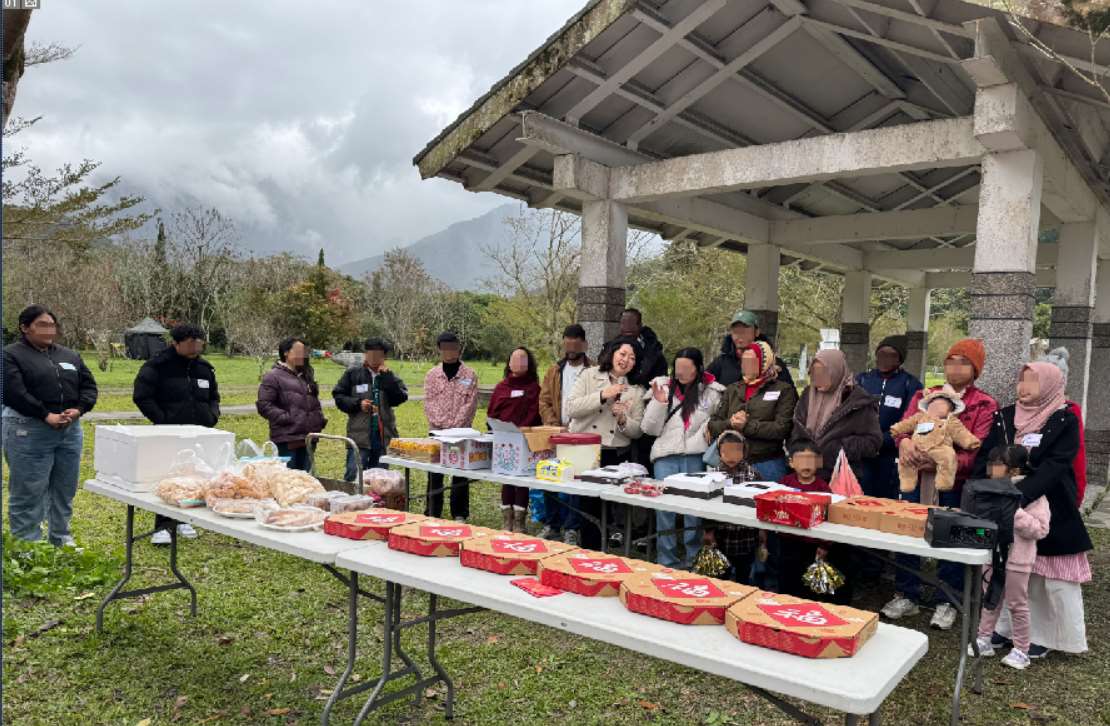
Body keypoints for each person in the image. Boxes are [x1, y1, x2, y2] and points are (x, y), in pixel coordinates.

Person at [974, 361, 1093, 660]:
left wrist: (1018, 494)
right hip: (1005, 505)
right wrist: (990, 488)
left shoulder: (1063, 418)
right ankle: (1004, 629)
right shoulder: (1005, 416)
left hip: (1048, 502)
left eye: (1033, 382)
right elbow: (987, 455)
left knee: (1046, 574)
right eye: (1021, 380)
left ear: (1051, 385)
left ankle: (1044, 635)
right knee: (1008, 568)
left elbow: (1057, 463)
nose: (1024, 388)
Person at [883, 338, 998, 630]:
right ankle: (906, 593)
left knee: (950, 539)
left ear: (976, 368)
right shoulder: (926, 395)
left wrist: (938, 462)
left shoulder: (983, 403)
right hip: (915, 477)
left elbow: (977, 451)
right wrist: (905, 443)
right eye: (951, 360)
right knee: (908, 532)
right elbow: (904, 427)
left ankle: (947, 599)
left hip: (954, 482)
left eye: (964, 362)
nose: (955, 368)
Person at [3, 305, 98, 547]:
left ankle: (60, 537)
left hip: (69, 430)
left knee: (64, 488)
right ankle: (27, 545)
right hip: (28, 428)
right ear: (25, 328)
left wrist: (79, 410)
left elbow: (89, 387)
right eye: (42, 325)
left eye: (52, 325)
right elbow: (13, 392)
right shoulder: (10, 355)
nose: (49, 330)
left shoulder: (70, 356)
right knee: (28, 489)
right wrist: (45, 415)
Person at [133, 323, 220, 545]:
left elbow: (213, 397)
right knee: (168, 478)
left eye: (198, 341)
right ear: (176, 343)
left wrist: (212, 415)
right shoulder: (158, 365)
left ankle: (184, 519)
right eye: (190, 342)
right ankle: (162, 526)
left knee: (193, 477)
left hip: (199, 433)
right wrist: (163, 420)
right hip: (168, 433)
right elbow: (142, 396)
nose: (195, 346)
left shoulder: (204, 368)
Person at [641, 347, 725, 569]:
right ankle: (666, 560)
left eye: (686, 368)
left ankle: (693, 559)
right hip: (666, 457)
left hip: (695, 456)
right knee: (665, 510)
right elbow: (649, 429)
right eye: (678, 367)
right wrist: (659, 403)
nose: (681, 373)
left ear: (698, 368)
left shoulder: (713, 392)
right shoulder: (663, 387)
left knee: (693, 512)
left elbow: (718, 422)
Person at [971, 445, 1050, 670]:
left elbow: (1041, 529)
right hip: (992, 557)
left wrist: (1014, 513)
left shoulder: (1033, 496)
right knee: (989, 599)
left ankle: (1021, 650)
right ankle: (983, 639)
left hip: (1017, 560)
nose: (991, 468)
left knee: (1017, 604)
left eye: (997, 464)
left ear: (1014, 470)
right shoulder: (990, 490)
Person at [565, 338, 646, 548]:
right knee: (587, 507)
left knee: (610, 509)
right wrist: (602, 395)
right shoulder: (589, 375)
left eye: (632, 358)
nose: (626, 360)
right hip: (587, 451)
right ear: (612, 353)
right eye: (622, 354)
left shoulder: (636, 390)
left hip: (616, 455)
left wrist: (623, 420)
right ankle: (588, 550)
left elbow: (637, 431)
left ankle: (605, 551)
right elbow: (571, 408)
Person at [775, 439, 855, 603]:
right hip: (787, 541)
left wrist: (824, 545)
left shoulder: (823, 488)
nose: (806, 466)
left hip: (811, 545)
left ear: (818, 463)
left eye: (810, 461)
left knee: (808, 585)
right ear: (791, 462)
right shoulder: (784, 484)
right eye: (800, 460)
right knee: (787, 579)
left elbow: (828, 519)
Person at [707, 341, 797, 482]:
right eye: (744, 360)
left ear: (764, 362)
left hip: (766, 464)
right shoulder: (732, 389)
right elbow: (713, 425)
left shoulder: (783, 390)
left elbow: (782, 429)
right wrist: (730, 423)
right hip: (730, 465)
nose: (745, 365)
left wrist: (747, 426)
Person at [789, 349, 882, 482]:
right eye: (815, 373)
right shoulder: (808, 394)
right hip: (804, 474)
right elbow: (796, 430)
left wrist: (836, 449)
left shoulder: (857, 401)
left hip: (839, 476)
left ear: (836, 371)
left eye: (823, 373)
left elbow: (873, 442)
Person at [537, 324, 590, 540]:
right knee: (551, 479)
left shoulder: (593, 371)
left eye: (575, 348)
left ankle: (572, 527)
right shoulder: (554, 370)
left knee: (574, 483)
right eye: (567, 348)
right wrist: (554, 423)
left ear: (584, 345)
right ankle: (552, 524)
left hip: (581, 435)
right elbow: (544, 400)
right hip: (556, 432)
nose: (570, 353)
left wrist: (575, 426)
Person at [855, 335, 923, 501]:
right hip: (863, 453)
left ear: (900, 359)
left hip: (891, 454)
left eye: (891, 355)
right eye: (881, 354)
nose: (885, 359)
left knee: (886, 501)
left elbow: (912, 420)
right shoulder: (862, 380)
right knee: (862, 499)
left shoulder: (911, 384)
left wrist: (882, 440)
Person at [333, 338, 409, 482]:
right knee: (354, 475)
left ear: (384, 356)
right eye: (370, 353)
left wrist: (387, 379)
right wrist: (358, 404)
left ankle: (376, 504)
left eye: (378, 354)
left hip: (383, 435)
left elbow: (400, 397)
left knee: (379, 479)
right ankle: (352, 503)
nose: (373, 358)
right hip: (359, 434)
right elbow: (338, 395)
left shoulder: (389, 375)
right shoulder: (353, 373)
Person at [423, 332, 479, 522]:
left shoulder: (469, 375)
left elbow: (470, 404)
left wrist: (455, 426)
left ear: (459, 348)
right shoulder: (432, 375)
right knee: (435, 473)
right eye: (446, 348)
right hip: (437, 431)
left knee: (460, 472)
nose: (450, 352)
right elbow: (429, 403)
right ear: (439, 349)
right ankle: (432, 511)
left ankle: (460, 513)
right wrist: (443, 426)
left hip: (461, 432)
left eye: (453, 348)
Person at [487, 347, 541, 533]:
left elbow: (536, 412)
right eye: (515, 359)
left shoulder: (534, 388)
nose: (518, 362)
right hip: (504, 438)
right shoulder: (501, 387)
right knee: (507, 479)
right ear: (509, 363)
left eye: (523, 358)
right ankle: (506, 519)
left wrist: (522, 430)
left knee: (522, 480)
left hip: (525, 439)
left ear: (529, 363)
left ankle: (519, 521)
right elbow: (492, 412)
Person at [889, 387, 982, 493]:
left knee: (949, 457)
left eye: (941, 406)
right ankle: (907, 483)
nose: (935, 407)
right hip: (917, 449)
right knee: (906, 461)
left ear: (950, 410)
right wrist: (896, 429)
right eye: (933, 405)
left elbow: (960, 433)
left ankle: (944, 482)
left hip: (939, 448)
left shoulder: (950, 421)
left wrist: (971, 442)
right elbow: (907, 423)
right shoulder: (919, 417)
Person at [255, 337, 327, 471]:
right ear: (286, 352)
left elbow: (313, 402)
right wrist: (288, 418)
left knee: (306, 480)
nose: (302, 355)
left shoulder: (306, 375)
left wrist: (319, 419)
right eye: (298, 351)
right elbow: (264, 405)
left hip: (309, 437)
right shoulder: (273, 376)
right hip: (287, 438)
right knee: (288, 481)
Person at [702, 431, 761, 583]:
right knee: (721, 576)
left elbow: (761, 502)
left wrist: (762, 532)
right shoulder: (713, 475)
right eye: (726, 452)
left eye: (736, 451)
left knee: (744, 575)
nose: (731, 457)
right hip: (722, 536)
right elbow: (707, 506)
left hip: (746, 536)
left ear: (744, 452)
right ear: (719, 453)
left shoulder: (752, 475)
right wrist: (709, 531)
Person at [1036, 347, 1089, 505]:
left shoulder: (1070, 411)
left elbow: (1077, 453)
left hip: (1057, 489)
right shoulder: (1021, 409)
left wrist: (1078, 493)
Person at [707, 310, 794, 387]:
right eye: (736, 331)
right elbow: (702, 385)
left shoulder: (774, 364)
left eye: (744, 331)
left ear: (756, 332)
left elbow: (790, 396)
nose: (739, 336)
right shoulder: (720, 363)